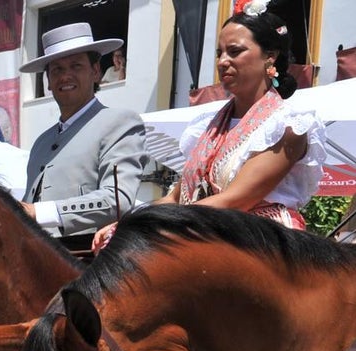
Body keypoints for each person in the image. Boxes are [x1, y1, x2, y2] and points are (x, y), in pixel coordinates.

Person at [92, 2, 325, 249]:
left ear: (270, 56)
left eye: (234, 51)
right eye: (219, 53)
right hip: (207, 234)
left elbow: (235, 201)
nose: (223, 61)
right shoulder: (210, 126)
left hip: (262, 244)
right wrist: (127, 224)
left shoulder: (287, 125)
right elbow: (175, 198)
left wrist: (149, 225)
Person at [19, 23, 148, 242]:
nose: (65, 76)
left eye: (76, 66)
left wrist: (39, 212)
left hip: (88, 255)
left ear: (95, 71)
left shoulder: (120, 123)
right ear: (48, 81)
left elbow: (118, 200)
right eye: (57, 70)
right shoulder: (41, 143)